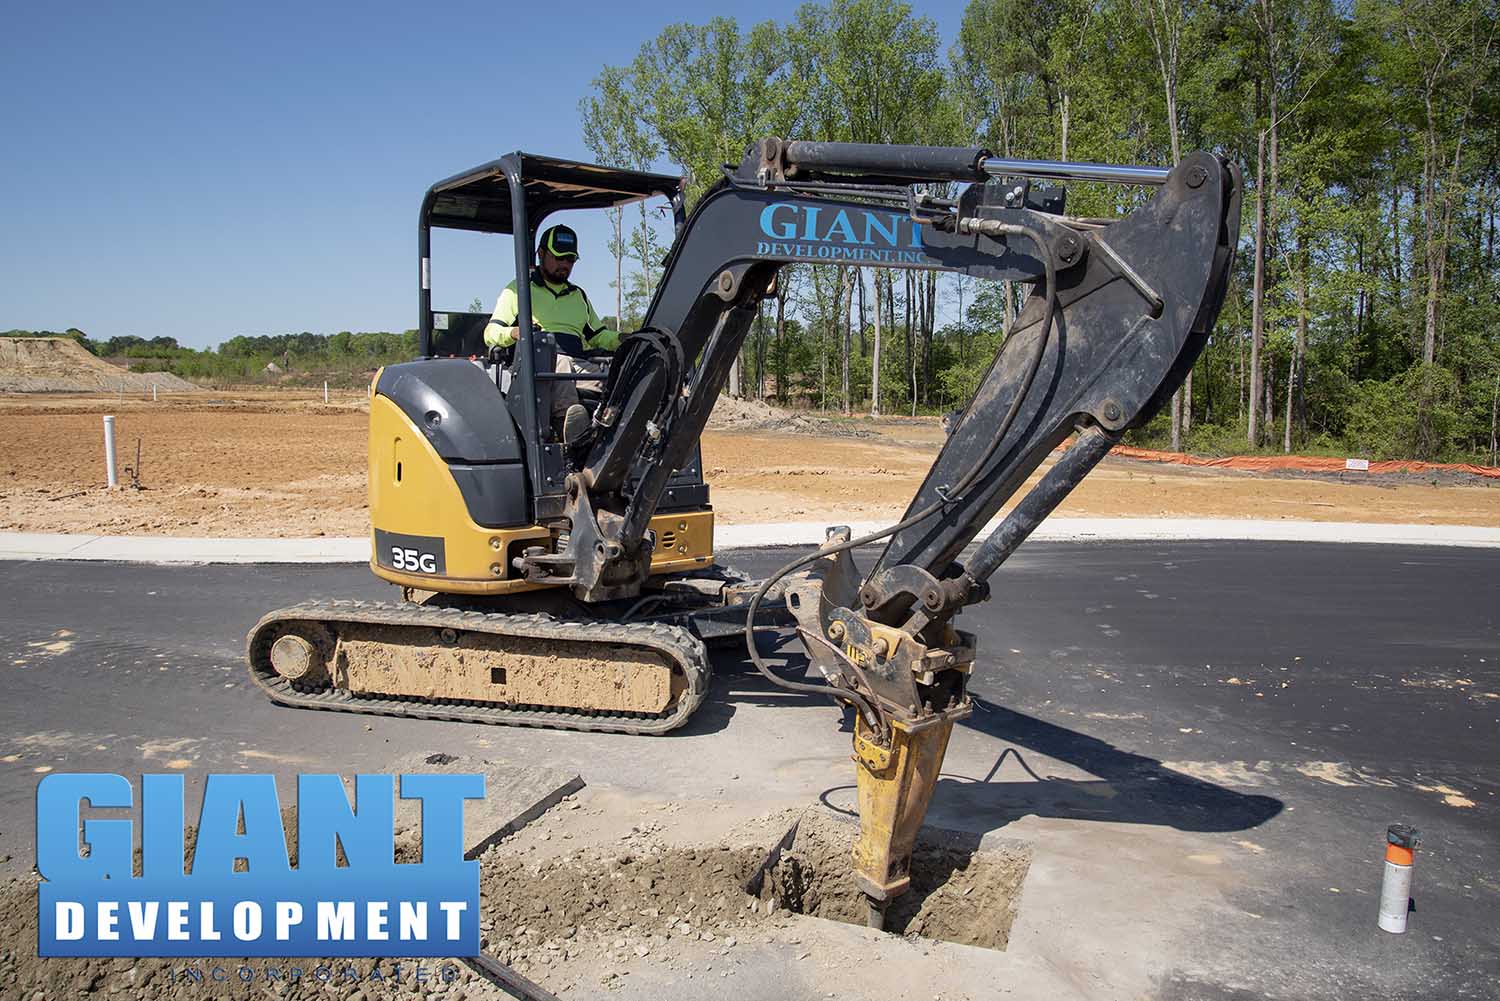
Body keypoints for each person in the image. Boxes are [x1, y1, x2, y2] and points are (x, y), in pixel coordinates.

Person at [483, 224, 620, 441]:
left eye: (570, 260)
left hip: (577, 364)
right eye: (559, 258)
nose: (564, 265)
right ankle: (569, 434)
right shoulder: (519, 289)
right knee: (561, 364)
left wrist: (624, 340)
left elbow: (599, 336)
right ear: (541, 254)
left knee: (617, 373)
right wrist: (516, 332)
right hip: (536, 365)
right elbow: (491, 333)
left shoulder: (578, 296)